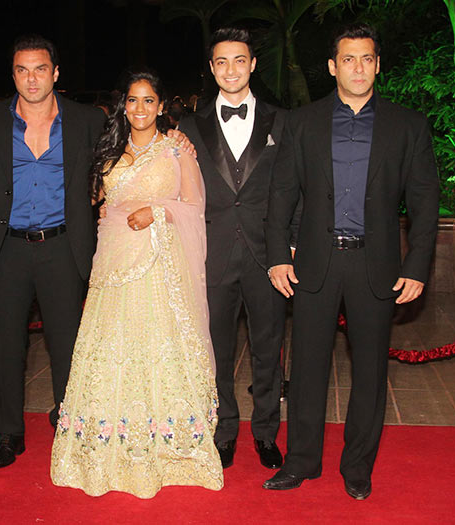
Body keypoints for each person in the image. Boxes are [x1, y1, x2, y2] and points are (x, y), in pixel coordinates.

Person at [0, 35, 195, 470]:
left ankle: (71, 424)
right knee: (7, 348)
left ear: (55, 73)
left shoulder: (85, 120)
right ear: (13, 75)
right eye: (22, 70)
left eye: (41, 69)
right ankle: (8, 435)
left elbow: (127, 147)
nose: (32, 79)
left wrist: (178, 139)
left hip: (63, 248)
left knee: (68, 348)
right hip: (8, 249)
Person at [263, 23, 439, 500]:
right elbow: (282, 195)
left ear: (378, 65)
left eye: (366, 59)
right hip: (315, 263)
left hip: (375, 265)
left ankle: (358, 466)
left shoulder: (408, 125)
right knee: (307, 369)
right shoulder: (302, 122)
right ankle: (301, 461)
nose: (357, 68)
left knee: (370, 373)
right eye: (348, 59)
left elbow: (425, 203)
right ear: (332, 67)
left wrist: (417, 266)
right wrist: (277, 256)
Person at [50, 69, 223, 498]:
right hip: (111, 267)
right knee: (110, 352)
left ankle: (168, 449)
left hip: (159, 269)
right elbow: (94, 199)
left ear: (161, 106)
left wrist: (157, 211)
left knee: (156, 352)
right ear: (122, 106)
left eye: (148, 100)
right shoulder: (108, 149)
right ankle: (105, 446)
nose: (140, 108)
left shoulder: (176, 149)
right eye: (132, 100)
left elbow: (195, 207)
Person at [180, 28, 289, 471]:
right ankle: (224, 430)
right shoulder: (189, 127)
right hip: (212, 254)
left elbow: (295, 190)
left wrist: (290, 247)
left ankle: (266, 432)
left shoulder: (283, 122)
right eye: (222, 62)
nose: (231, 70)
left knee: (268, 349)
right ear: (211, 68)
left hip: (269, 258)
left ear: (253, 65)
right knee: (216, 352)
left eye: (239, 60)